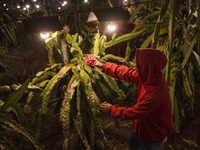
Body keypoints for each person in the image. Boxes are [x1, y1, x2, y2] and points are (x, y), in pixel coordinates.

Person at [94, 48, 173, 150]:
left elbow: (133, 112)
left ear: (146, 68)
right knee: (133, 140)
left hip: (154, 135)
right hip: (144, 127)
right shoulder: (151, 75)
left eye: (138, 65)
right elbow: (127, 73)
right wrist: (103, 65)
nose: (135, 66)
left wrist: (112, 109)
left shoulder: (154, 96)